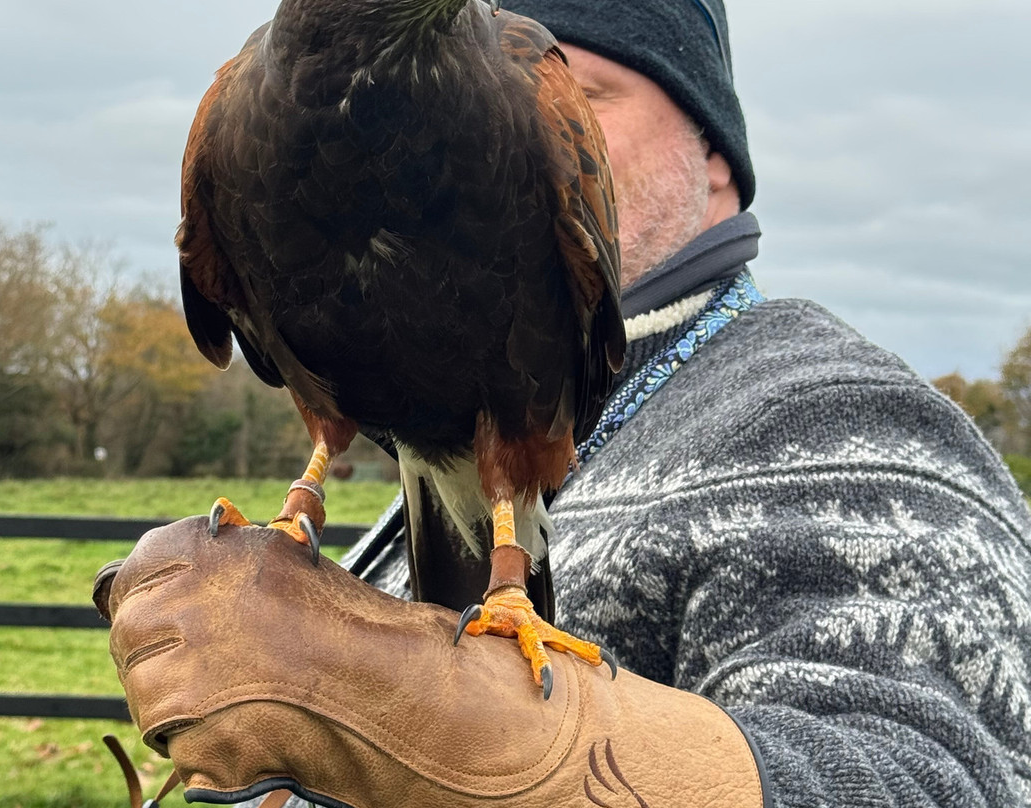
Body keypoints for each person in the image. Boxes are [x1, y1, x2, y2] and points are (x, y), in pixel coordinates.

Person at [102, 1, 1031, 806]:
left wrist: (520, 760)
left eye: (584, 94)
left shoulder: (845, 423)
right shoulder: (430, 418)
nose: (537, 117)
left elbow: (940, 779)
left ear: (715, 157)